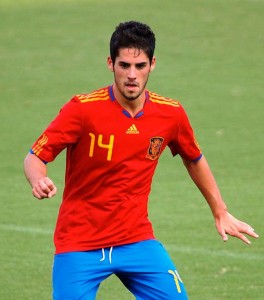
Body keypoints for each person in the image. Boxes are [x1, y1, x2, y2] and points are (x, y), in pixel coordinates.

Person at [24, 21, 258, 300]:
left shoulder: (170, 114)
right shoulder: (82, 110)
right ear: (110, 63)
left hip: (136, 240)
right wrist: (38, 179)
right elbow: (36, 155)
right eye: (124, 65)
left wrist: (220, 210)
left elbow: (194, 158)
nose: (132, 75)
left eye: (140, 66)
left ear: (152, 64)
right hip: (79, 244)